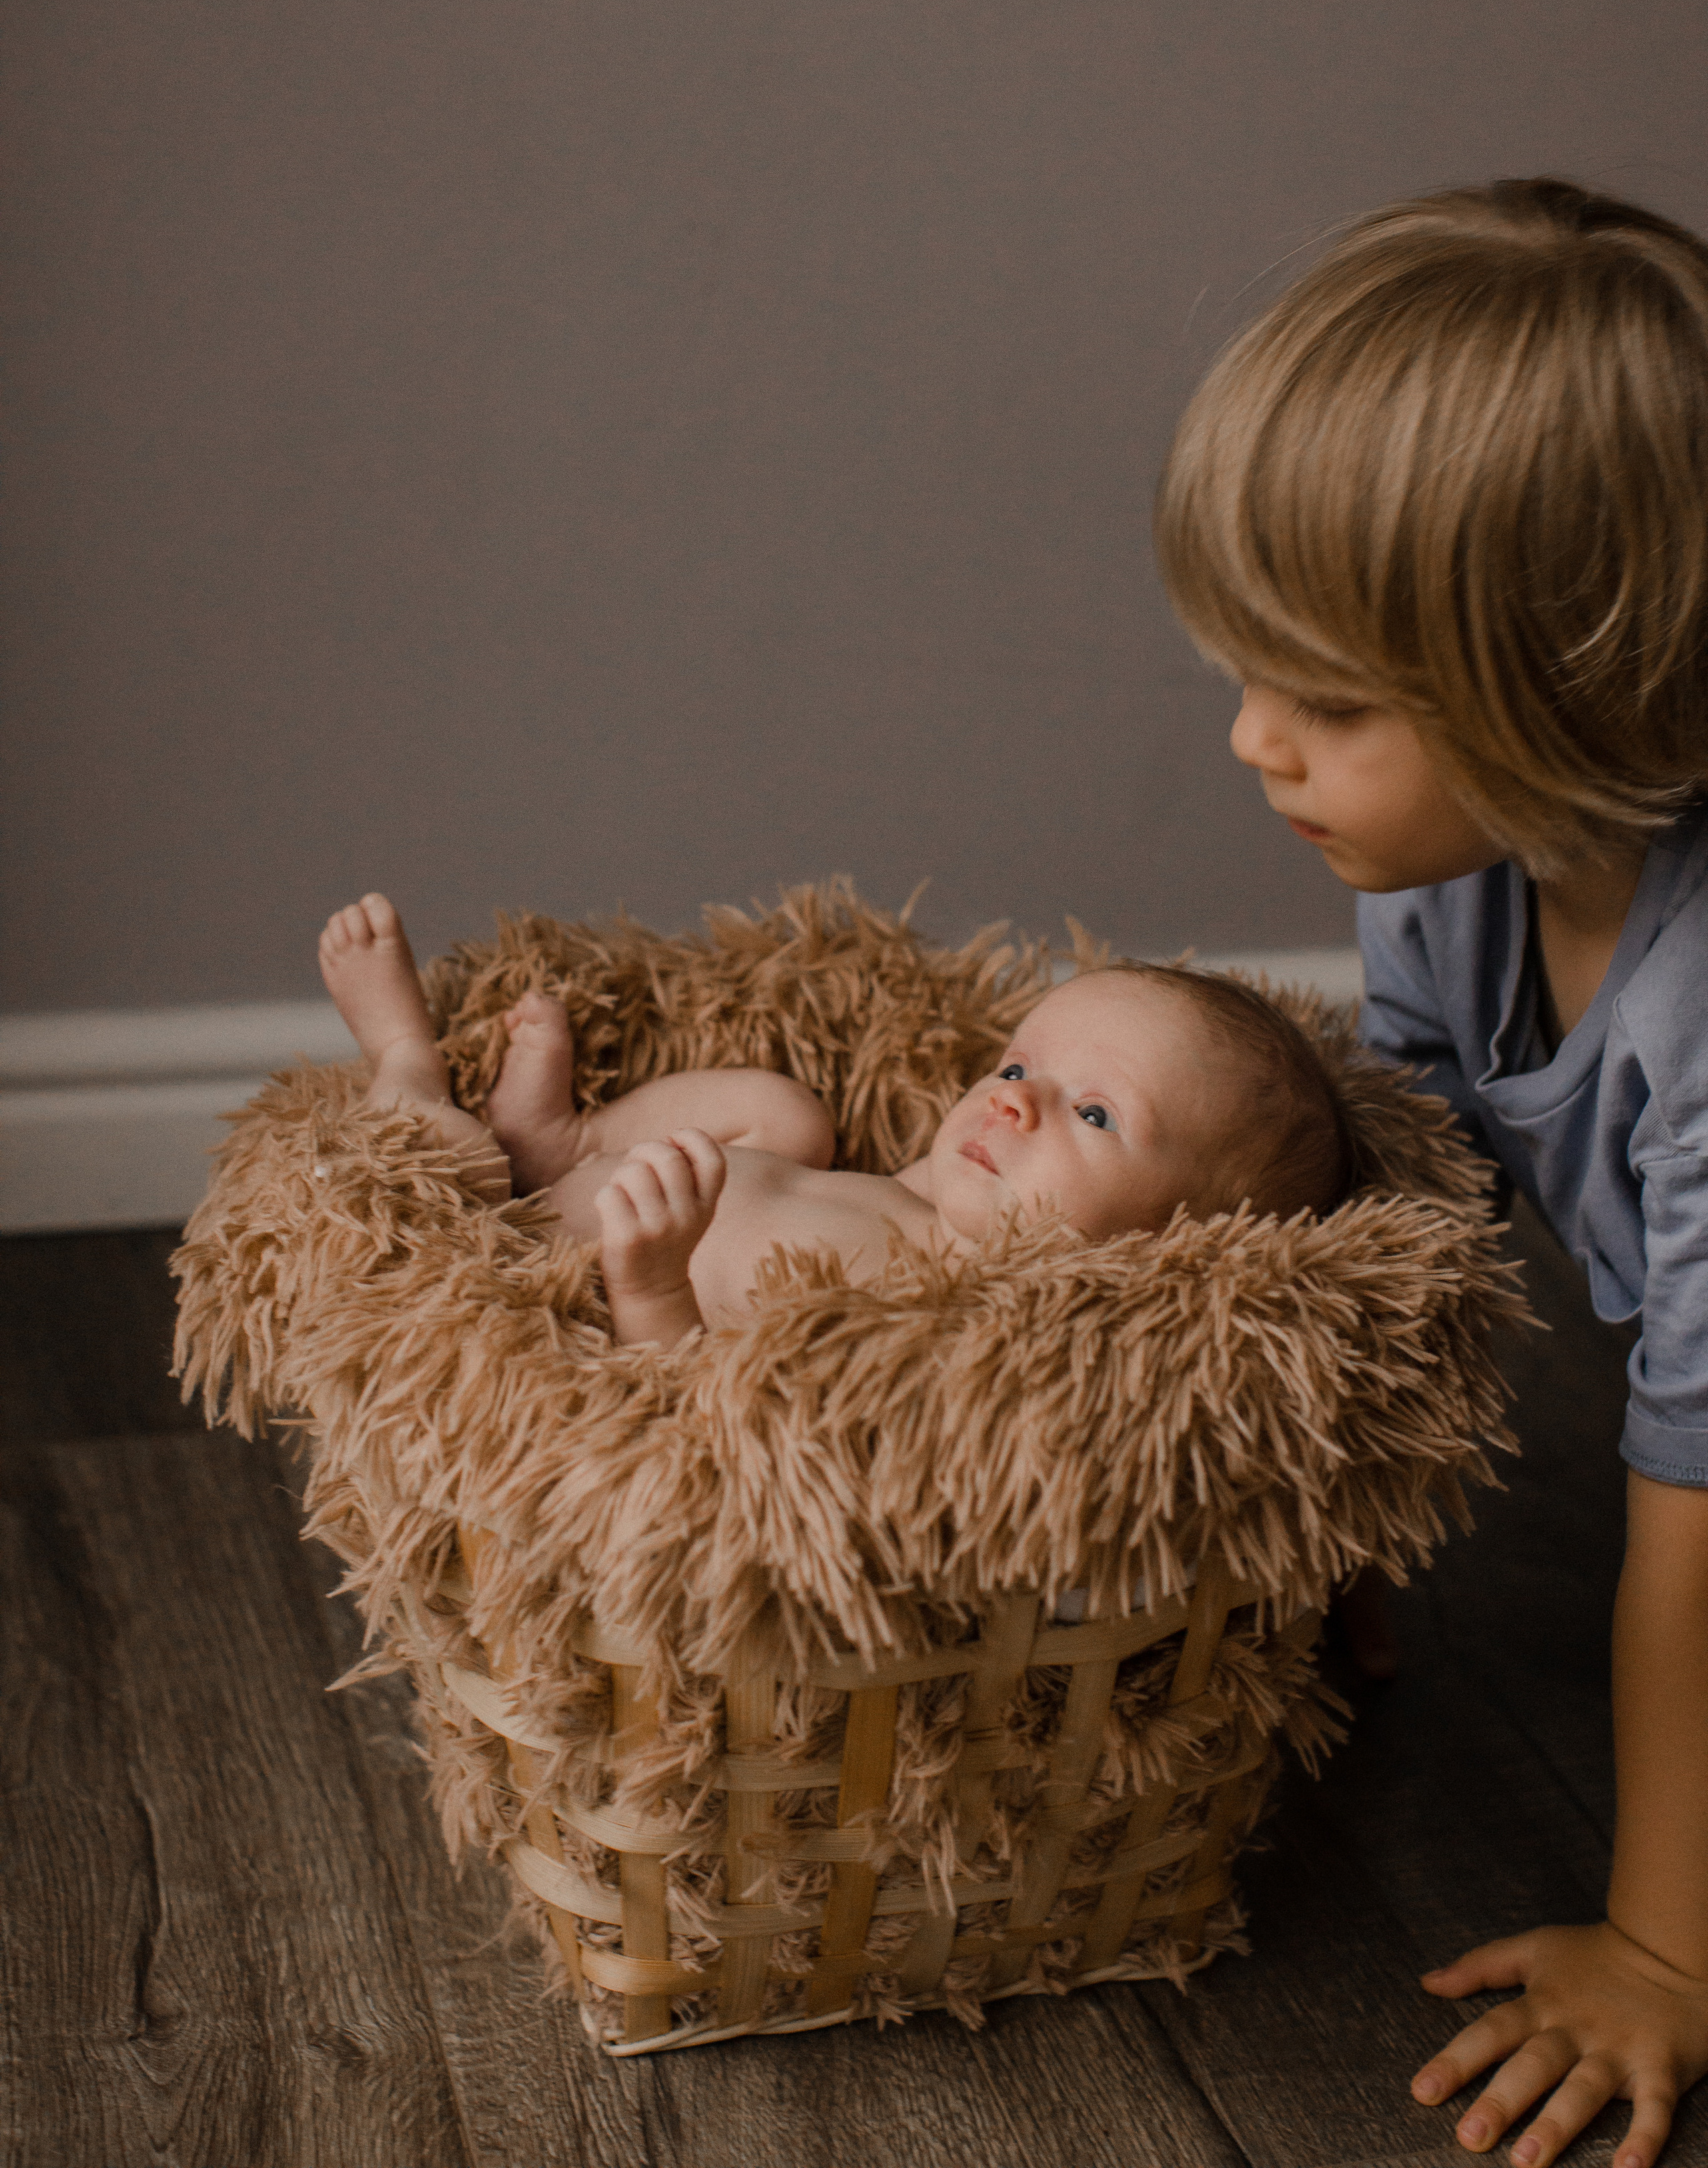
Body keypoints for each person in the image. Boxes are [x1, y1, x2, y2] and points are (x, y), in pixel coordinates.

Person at [1154, 176, 1708, 2168]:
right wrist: (1335, 1545)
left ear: (1589, 684)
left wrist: (1663, 1944)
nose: (1250, 744)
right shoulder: (1452, 887)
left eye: (1326, 702)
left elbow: (1694, 1516)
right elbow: (1403, 1235)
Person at [317, 889, 1349, 1344]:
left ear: (1178, 1249)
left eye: (1090, 1111)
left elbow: (713, 1419)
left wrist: (653, 1289)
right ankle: (570, 1141)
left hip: (534, 1263)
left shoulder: (942, 1328)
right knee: (790, 1114)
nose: (1009, 1099)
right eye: (1019, 1064)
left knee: (450, 1165)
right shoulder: (916, 1196)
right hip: (598, 1186)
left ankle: (407, 1059)